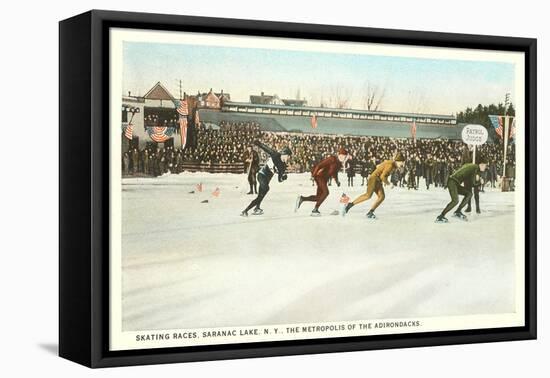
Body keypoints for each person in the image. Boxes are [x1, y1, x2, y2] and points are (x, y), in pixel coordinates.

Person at [343, 152, 406, 219]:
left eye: (403, 163)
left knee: (381, 196)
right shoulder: (390, 165)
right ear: (397, 161)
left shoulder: (393, 165)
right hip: (374, 179)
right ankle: (349, 205)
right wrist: (388, 184)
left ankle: (370, 212)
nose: (402, 164)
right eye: (401, 162)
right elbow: (382, 176)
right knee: (368, 195)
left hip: (378, 180)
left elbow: (379, 167)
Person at [241, 141, 291, 217]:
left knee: (260, 196)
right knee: (266, 189)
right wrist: (258, 143)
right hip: (261, 175)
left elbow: (279, 180)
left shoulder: (283, 166)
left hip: (266, 180)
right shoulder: (276, 155)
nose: (289, 158)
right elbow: (266, 148)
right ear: (284, 154)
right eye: (288, 156)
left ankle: (255, 208)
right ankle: (246, 211)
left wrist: (283, 178)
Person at [295, 148, 349, 216]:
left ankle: (302, 199)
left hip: (324, 179)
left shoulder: (339, 164)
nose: (342, 158)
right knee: (326, 192)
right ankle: (315, 210)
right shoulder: (332, 159)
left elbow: (334, 173)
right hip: (319, 176)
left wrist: (337, 181)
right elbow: (319, 165)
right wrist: (313, 175)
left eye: (344, 156)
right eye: (341, 155)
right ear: (338, 154)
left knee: (319, 197)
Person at [435, 155, 488, 223]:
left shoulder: (471, 166)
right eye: (485, 166)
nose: (485, 168)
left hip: (455, 182)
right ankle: (441, 216)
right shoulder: (475, 169)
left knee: (469, 194)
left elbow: (466, 175)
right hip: (452, 182)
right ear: (481, 165)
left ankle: (458, 211)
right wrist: (480, 182)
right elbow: (473, 184)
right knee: (455, 201)